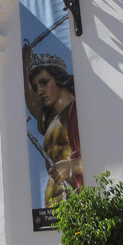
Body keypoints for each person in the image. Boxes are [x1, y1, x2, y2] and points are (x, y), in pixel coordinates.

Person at [22, 44, 83, 204]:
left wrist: (72, 166)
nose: (39, 91)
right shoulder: (51, 121)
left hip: (76, 200)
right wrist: (25, 63)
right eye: (36, 87)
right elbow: (33, 105)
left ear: (59, 78)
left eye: (44, 82)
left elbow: (103, 157)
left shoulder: (80, 111)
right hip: (52, 205)